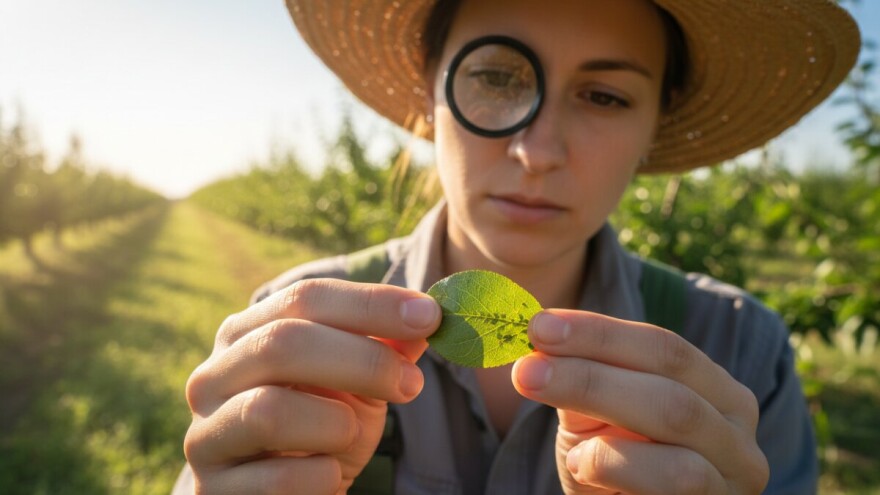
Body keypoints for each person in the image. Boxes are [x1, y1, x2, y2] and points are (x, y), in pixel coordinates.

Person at [174, 0, 861, 493]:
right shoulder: (296, 334)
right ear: (430, 86)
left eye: (603, 96)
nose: (537, 152)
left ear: (656, 122)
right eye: (497, 78)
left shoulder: (741, 354)